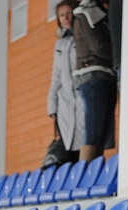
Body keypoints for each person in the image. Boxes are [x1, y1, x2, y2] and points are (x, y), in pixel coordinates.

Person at [72, 0, 117, 162]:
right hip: (93, 75)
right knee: (94, 130)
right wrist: (120, 54)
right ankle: (86, 173)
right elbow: (98, 47)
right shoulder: (85, 12)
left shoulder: (100, 11)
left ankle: (93, 171)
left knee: (102, 132)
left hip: (106, 75)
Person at [48, 0, 83, 164]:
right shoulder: (60, 44)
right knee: (67, 146)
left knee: (82, 142)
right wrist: (51, 105)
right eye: (61, 15)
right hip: (64, 103)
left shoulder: (82, 36)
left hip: (81, 97)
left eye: (68, 13)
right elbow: (56, 76)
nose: (65, 18)